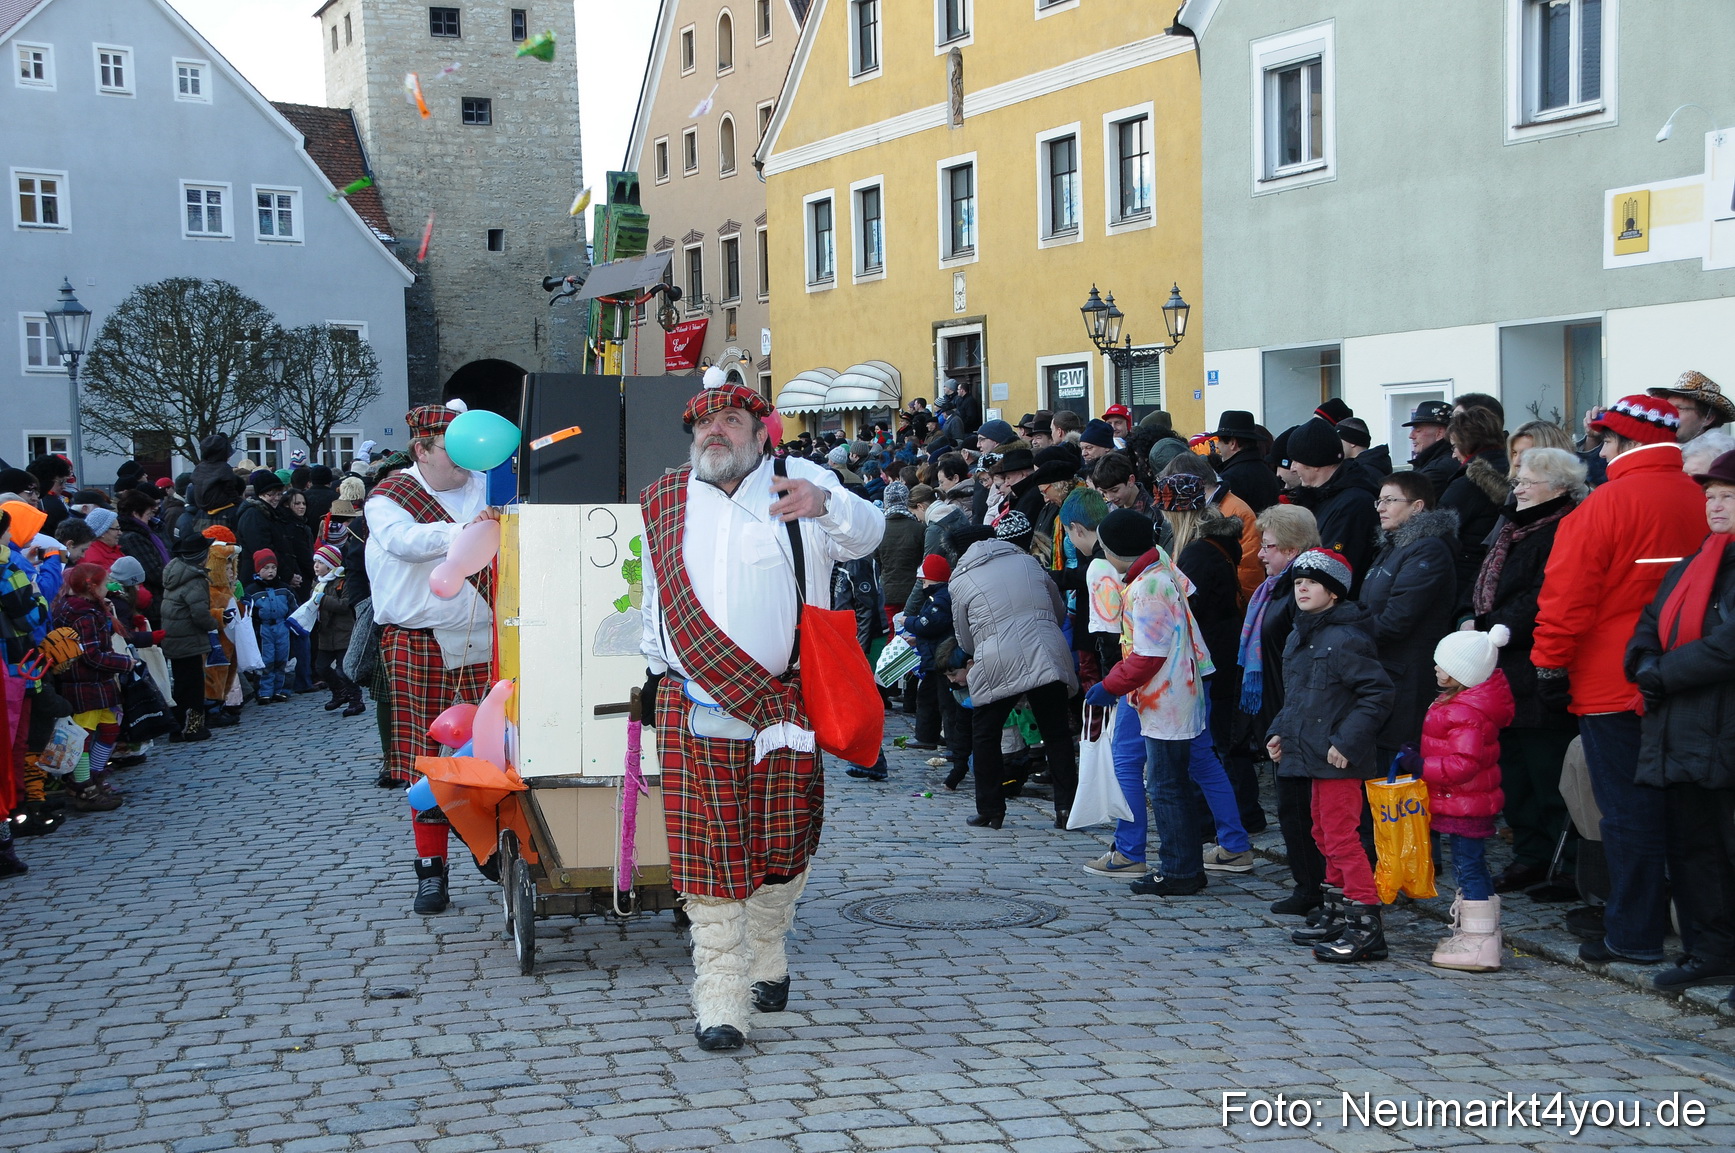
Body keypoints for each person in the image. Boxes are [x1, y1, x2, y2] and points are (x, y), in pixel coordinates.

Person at [639, 381, 882, 1052]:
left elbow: (869, 535)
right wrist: (654, 662)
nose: (714, 431)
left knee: (784, 842)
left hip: (784, 700)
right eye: (704, 423)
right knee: (708, 853)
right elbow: (654, 595)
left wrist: (827, 504)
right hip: (693, 701)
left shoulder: (797, 480)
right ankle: (721, 995)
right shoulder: (664, 499)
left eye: (730, 419)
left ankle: (767, 948)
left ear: (757, 430)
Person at [1532, 395, 1707, 967]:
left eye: (1605, 442)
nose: (1600, 453)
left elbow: (1566, 600)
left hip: (1612, 683)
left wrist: (1549, 666)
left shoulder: (1604, 506)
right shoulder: (1701, 497)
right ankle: (1702, 939)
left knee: (1628, 813)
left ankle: (1634, 934)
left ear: (1628, 442)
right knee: (1690, 816)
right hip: (1693, 679)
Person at [366, 403, 501, 915]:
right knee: (427, 765)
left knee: (494, 754)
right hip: (418, 640)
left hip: (488, 638)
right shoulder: (388, 497)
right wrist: (467, 530)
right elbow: (403, 542)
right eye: (452, 448)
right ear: (422, 450)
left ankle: (495, 846)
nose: (466, 458)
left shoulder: (486, 485)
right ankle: (432, 872)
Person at [1627, 448, 1735, 995]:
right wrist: (1643, 661)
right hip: (1683, 731)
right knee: (1694, 851)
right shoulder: (1696, 561)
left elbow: (1728, 646)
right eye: (1711, 496)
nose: (1715, 506)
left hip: (1724, 727)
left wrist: (1662, 673)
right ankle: (1711, 951)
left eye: (1728, 497)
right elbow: (1651, 619)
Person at [1267, 549, 1395, 963]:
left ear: (1335, 592)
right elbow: (1298, 697)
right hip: (1311, 753)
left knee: (1341, 837)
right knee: (1323, 834)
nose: (1302, 588)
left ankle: (1366, 924)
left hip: (1339, 758)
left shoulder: (1347, 638)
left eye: (1312, 582)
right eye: (1298, 582)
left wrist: (1347, 742)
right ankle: (1337, 912)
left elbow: (1378, 694)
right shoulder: (1300, 635)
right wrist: (1279, 733)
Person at [1080, 509, 1216, 895]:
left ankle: (1179, 870)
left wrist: (1110, 685)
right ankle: (1184, 865)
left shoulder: (1148, 587)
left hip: (1168, 700)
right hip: (1169, 695)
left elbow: (1148, 656)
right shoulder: (1155, 572)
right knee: (1171, 784)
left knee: (1166, 787)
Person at [1468, 447, 1586, 893]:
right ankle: (1531, 855)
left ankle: (1568, 865)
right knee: (1515, 770)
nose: (1516, 489)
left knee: (1549, 771)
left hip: (1540, 667)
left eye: (1525, 482)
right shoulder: (1513, 528)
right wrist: (1471, 618)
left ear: (1557, 487)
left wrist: (1489, 627)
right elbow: (1484, 583)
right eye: (1517, 481)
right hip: (1504, 667)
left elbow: (1543, 597)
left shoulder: (1563, 527)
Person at [951, 519, 1079, 831]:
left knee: (985, 732)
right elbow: (1058, 610)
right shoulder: (1028, 562)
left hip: (997, 658)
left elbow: (964, 638)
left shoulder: (961, 580)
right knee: (1056, 732)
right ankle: (1067, 808)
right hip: (1045, 650)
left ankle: (991, 809)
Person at [1410, 626, 1517, 972]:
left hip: (1466, 803)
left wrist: (1421, 766)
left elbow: (1462, 764)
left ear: (1462, 672)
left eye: (1442, 663)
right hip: (1463, 800)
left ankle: (1478, 939)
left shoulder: (1466, 712)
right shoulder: (1458, 703)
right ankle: (1481, 935)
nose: (1435, 667)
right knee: (1470, 864)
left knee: (1467, 866)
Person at [1240, 506, 1325, 913]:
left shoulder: (1300, 591)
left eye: (1268, 546)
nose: (1260, 554)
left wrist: (1288, 718)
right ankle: (1307, 884)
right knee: (1291, 805)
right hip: (1279, 708)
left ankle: (1313, 889)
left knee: (1300, 807)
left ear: (1292, 549)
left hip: (1295, 712)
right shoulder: (1275, 588)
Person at [1360, 471, 1458, 766]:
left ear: (1417, 506)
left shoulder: (1428, 549)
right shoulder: (1393, 547)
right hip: (1384, 672)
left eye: (1390, 500)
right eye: (1379, 501)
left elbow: (1397, 619)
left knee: (1396, 767)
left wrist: (1350, 634)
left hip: (1407, 678)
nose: (1380, 508)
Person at [49, 562, 135, 812]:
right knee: (82, 739)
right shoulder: (83, 615)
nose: (109, 587)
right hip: (85, 683)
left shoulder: (77, 607)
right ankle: (83, 786)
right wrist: (124, 663)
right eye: (105, 583)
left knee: (109, 728)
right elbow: (91, 655)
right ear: (93, 587)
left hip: (95, 683)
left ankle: (94, 775)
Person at [1283, 418, 1379, 590]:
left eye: (1296, 461)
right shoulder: (1319, 497)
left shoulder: (1353, 504)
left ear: (1315, 462)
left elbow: (1333, 569)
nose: (1293, 468)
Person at [1439, 407, 1510, 597]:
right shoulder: (1517, 471)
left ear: (1467, 444)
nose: (1453, 455)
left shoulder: (1466, 484)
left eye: (1454, 446)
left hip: (1468, 575)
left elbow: (1439, 531)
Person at [160, 531, 217, 743]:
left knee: (182, 685)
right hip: (189, 639)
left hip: (174, 637)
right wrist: (215, 624)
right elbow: (200, 614)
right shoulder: (195, 580)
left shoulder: (175, 571)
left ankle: (177, 728)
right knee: (193, 686)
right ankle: (192, 728)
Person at [311, 543, 363, 717]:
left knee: (343, 670)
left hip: (343, 632)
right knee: (321, 667)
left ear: (331, 564)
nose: (316, 566)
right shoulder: (318, 583)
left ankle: (356, 700)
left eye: (320, 562)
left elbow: (345, 605)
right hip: (325, 634)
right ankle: (339, 692)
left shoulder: (342, 581)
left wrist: (323, 599)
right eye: (315, 562)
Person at [245, 550, 295, 703]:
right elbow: (247, 613)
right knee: (266, 660)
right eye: (266, 568)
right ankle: (264, 691)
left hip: (282, 626)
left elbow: (294, 607)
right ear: (258, 570)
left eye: (273, 567)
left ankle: (282, 690)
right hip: (263, 628)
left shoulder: (284, 588)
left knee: (283, 659)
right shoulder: (252, 591)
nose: (270, 571)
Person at [1210, 410, 1279, 514]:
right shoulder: (1267, 472)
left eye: (1219, 440)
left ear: (1232, 443)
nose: (1217, 445)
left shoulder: (1230, 478)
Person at [1649, 370, 1733, 444]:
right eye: (1668, 407)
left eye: (1679, 408)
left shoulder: (1717, 454)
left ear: (1708, 418)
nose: (1669, 414)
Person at [1404, 401, 1458, 496]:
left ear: (1440, 433)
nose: (1411, 436)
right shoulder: (1429, 463)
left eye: (1418, 430)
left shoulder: (1439, 469)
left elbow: (1409, 500)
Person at [82, 508, 125, 573]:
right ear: (103, 532)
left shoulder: (112, 549)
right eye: (117, 529)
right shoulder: (93, 557)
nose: (120, 533)